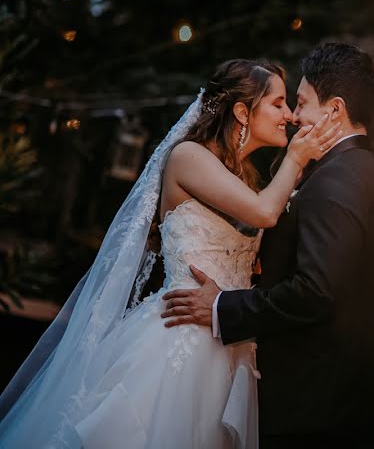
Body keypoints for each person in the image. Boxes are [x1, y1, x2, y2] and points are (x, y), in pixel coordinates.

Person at [0, 58, 342, 448]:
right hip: (177, 342)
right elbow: (264, 212)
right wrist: (297, 159)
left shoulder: (245, 179)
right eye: (278, 103)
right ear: (243, 111)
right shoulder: (189, 157)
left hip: (228, 348)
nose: (288, 115)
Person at [161, 42, 374, 448]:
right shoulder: (361, 172)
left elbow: (315, 291)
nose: (294, 115)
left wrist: (222, 306)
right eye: (284, 104)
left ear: (335, 110)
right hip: (300, 391)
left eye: (300, 102)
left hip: (307, 402)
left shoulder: (340, 178)